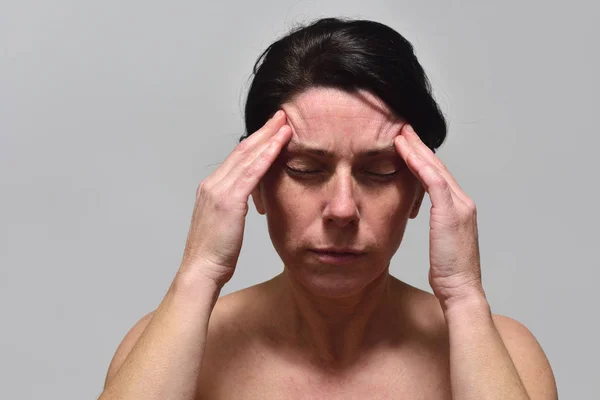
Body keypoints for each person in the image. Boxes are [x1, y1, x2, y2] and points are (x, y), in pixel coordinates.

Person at [99, 17, 558, 399]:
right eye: (304, 168)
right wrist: (198, 272)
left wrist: (462, 295)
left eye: (379, 170)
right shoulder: (171, 347)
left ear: (420, 189)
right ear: (253, 183)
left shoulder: (507, 355)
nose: (342, 209)